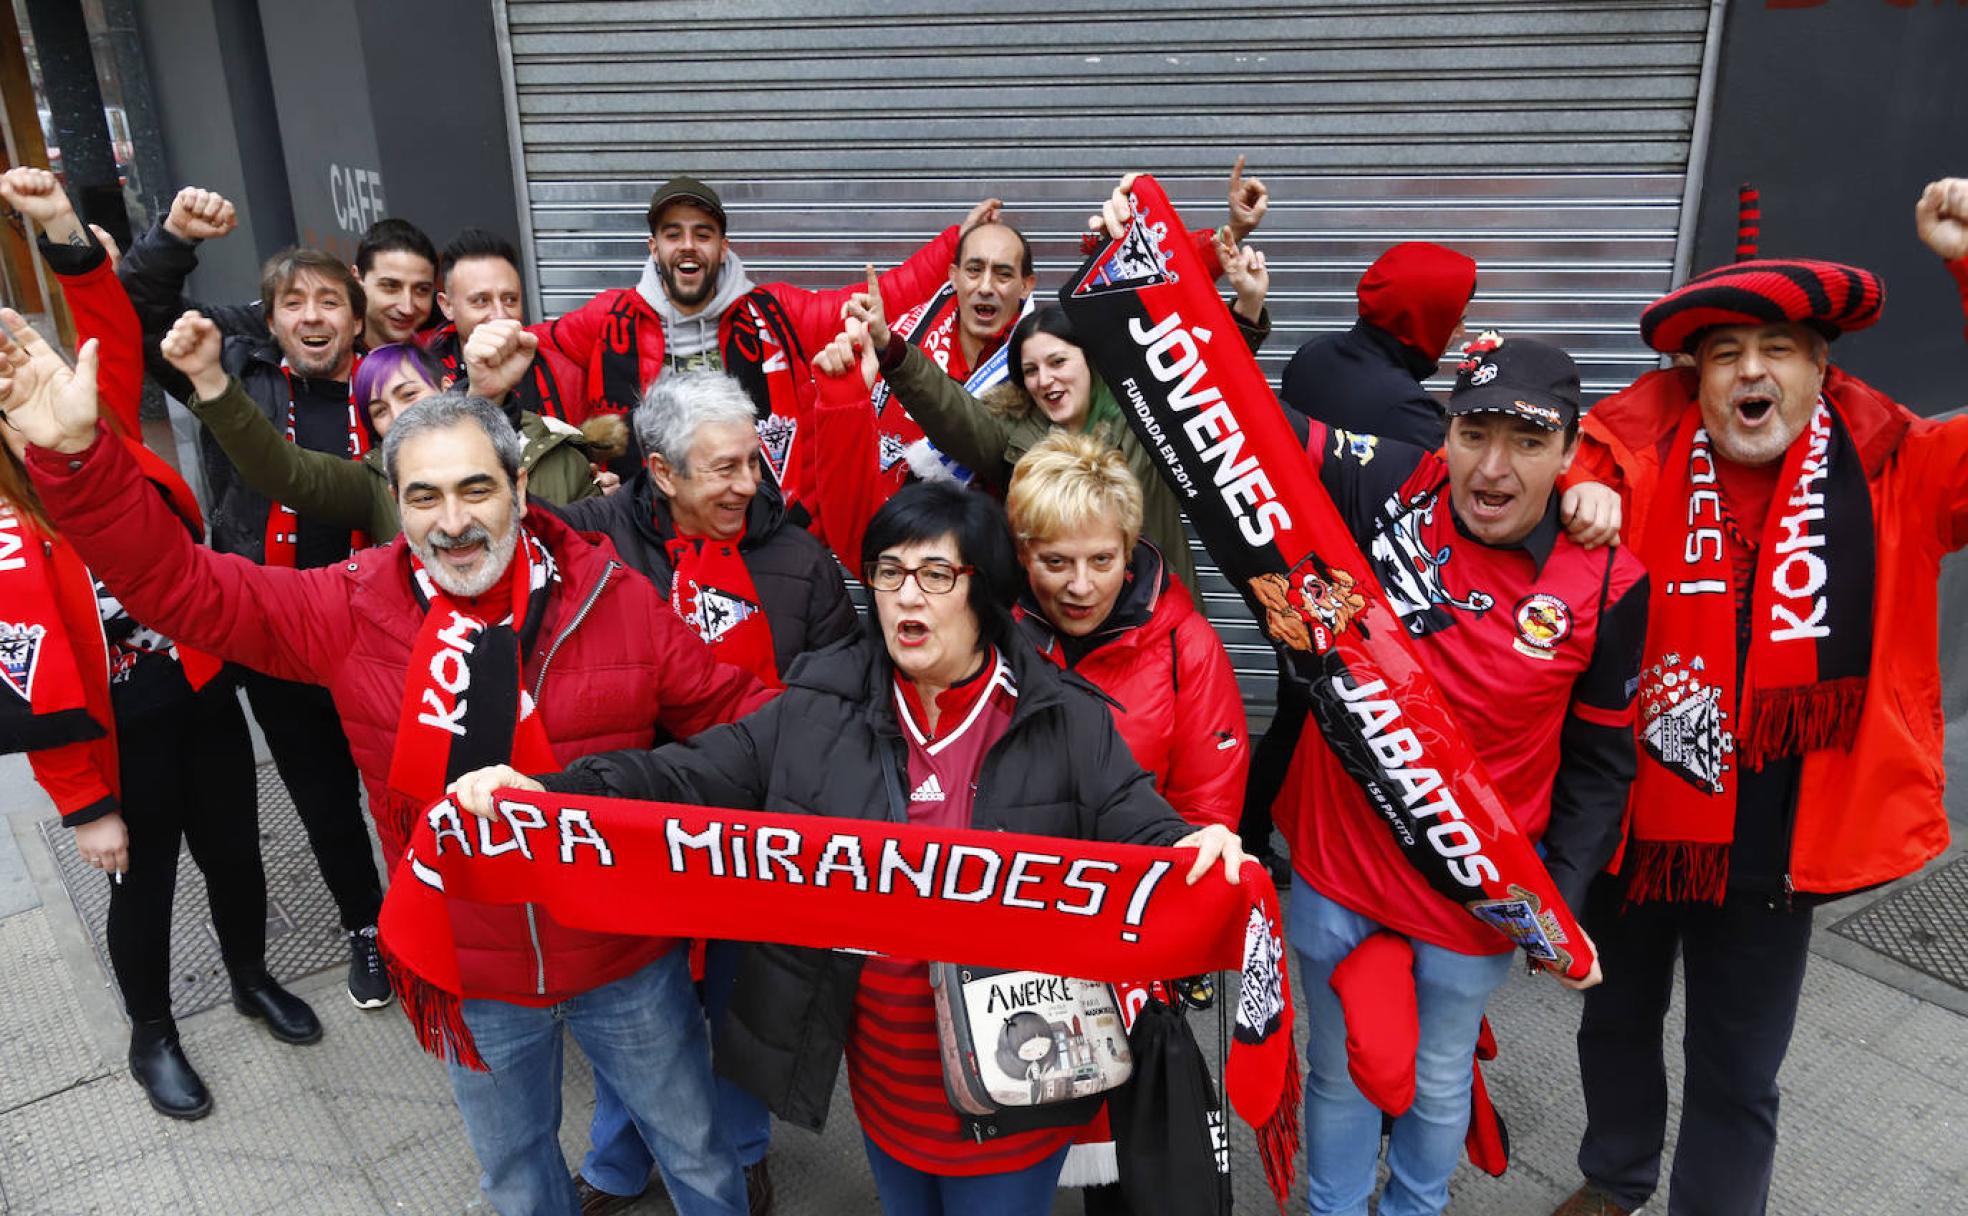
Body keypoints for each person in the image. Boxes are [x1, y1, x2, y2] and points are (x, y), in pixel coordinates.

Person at [3, 324, 776, 1213]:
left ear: (521, 488)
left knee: (700, 1158)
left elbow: (736, 717)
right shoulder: (347, 606)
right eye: (425, 497)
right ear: (395, 501)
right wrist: (78, 461)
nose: (453, 523)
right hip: (470, 972)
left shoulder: (614, 595)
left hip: (624, 960)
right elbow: (179, 586)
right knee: (518, 1179)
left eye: (477, 489)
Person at [447, 479, 1247, 1216]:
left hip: (1018, 1082)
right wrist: (550, 793)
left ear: (987, 591)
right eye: (889, 572)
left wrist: (1194, 844)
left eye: (937, 575)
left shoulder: (1065, 719)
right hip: (886, 1080)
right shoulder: (817, 705)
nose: (907, 595)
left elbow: (1140, 826)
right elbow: (685, 776)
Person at [1549, 184, 1968, 1216]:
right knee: (1614, 1023)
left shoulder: (1896, 467)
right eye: (1727, 349)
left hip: (1785, 839)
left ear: (1822, 369)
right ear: (1693, 373)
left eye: (1778, 347)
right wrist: (1577, 494)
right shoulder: (1632, 458)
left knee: (1739, 1067)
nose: (1751, 370)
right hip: (1639, 822)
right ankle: (1615, 1178)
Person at [1276, 338, 1646, 1216]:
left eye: (1526, 441)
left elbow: (1602, 761)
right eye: (1474, 433)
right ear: (1445, 435)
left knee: (1440, 1084)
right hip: (1339, 867)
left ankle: (1414, 1209)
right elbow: (1241, 425)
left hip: (1471, 894)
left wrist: (1552, 901)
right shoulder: (1394, 483)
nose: (1493, 465)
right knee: (1336, 1076)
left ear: (1571, 449)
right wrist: (1157, 289)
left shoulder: (1609, 580)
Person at [0, 165, 319, 1118]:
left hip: (199, 687)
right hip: (113, 733)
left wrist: (58, 222)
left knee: (238, 853)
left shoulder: (102, 439)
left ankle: (251, 976)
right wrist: (83, 802)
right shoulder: (9, 524)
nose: (42, 386)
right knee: (142, 891)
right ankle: (153, 1034)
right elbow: (27, 672)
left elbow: (104, 325)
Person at [549, 368, 858, 1215]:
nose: (748, 484)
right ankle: (617, 1161)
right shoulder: (591, 542)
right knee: (643, 1008)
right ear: (661, 470)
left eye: (752, 463)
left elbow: (835, 687)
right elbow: (491, 528)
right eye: (723, 468)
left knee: (746, 1000)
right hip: (639, 823)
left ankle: (744, 1150)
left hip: (762, 829)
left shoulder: (800, 560)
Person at [117, 218, 398, 1008]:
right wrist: (172, 239)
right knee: (322, 798)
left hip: (377, 635)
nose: (314, 317)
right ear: (269, 318)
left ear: (356, 315)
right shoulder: (235, 379)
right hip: (277, 642)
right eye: (295, 303)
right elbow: (136, 318)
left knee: (403, 784)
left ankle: (431, 915)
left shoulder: (394, 390)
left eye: (330, 302)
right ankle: (366, 929)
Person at [1001, 431, 1250, 1209]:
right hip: (1012, 932)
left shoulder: (1186, 646)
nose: (1079, 587)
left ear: (1131, 545)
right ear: (1021, 551)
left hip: (1132, 938)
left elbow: (1209, 800)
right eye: (1055, 562)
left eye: (1101, 561)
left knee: (1124, 1158)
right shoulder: (989, 633)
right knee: (1013, 1141)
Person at [847, 230, 1270, 609]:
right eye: (1031, 371)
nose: (1045, 380)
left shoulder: (1144, 411)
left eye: (1058, 362)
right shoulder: (1012, 434)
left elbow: (1211, 382)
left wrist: (1248, 303)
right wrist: (889, 347)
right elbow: (951, 410)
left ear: (1088, 360)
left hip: (1155, 619)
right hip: (1059, 628)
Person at [532, 174, 984, 529]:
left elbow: (874, 297)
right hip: (645, 530)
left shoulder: (771, 313)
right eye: (673, 234)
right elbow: (532, 348)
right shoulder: (610, 318)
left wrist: (955, 244)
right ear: (654, 247)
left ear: (723, 247)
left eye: (703, 234)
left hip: (759, 523)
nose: (688, 245)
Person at [1243, 241, 1480, 878]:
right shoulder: (1406, 406)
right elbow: (1454, 490)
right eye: (1453, 315)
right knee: (1366, 721)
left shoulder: (1315, 355)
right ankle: (1348, 851)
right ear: (1421, 316)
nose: (1460, 329)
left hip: (1293, 570)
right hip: (1360, 588)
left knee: (1295, 709)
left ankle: (1252, 830)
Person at [161, 313, 599, 542]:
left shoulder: (558, 452)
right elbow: (283, 470)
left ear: (447, 386)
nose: (399, 415)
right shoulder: (375, 485)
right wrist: (212, 383)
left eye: (408, 395)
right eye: (380, 410)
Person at [118, 186, 440, 348]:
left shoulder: (449, 348)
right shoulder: (262, 346)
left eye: (422, 290)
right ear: (358, 280)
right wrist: (174, 237)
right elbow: (147, 316)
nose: (407, 305)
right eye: (390, 286)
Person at [1278, 241, 1478, 449]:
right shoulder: (1408, 412)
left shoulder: (1314, 352)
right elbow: (1460, 475)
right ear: (1424, 322)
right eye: (1457, 321)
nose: (1461, 332)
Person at [424, 227, 589, 425]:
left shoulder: (562, 373)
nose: (500, 315)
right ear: (447, 306)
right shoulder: (422, 376)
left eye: (510, 299)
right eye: (481, 301)